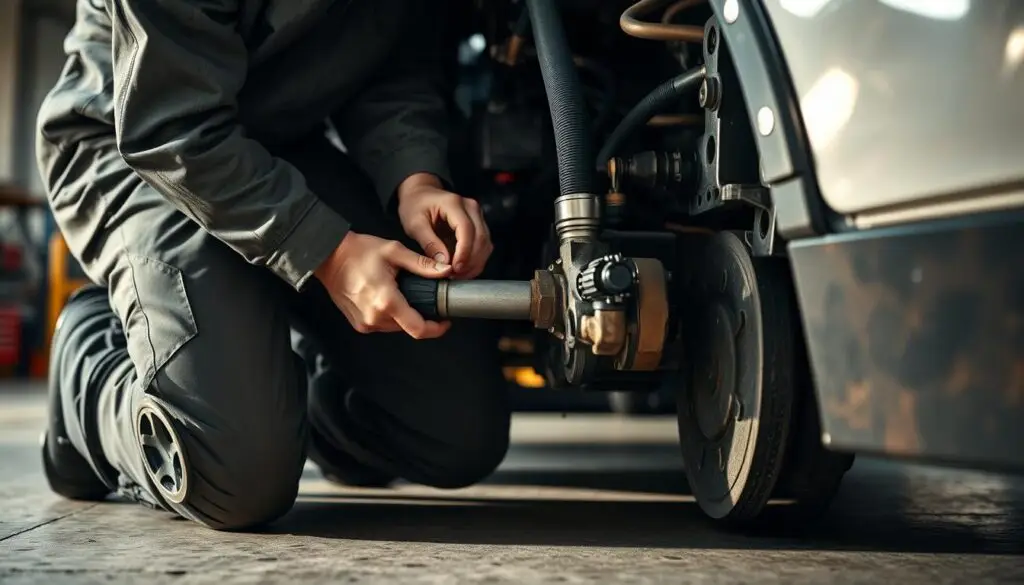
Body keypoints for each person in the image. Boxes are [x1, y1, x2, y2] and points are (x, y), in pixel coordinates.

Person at [36, 0, 509, 531]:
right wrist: (326, 252)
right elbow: (168, 124)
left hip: (280, 149)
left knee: (455, 434)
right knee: (235, 476)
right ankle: (89, 369)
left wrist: (415, 177)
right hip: (141, 150)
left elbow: (390, 59)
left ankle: (254, 388)